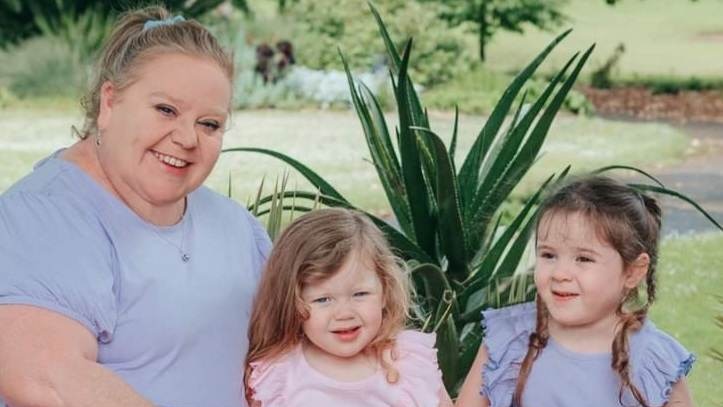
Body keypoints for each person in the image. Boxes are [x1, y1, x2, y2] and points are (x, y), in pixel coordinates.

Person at [0, 6, 270, 407]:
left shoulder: (236, 226)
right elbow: (49, 379)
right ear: (109, 103)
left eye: (209, 124)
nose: (187, 138)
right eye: (166, 110)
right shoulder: (41, 218)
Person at [455, 175, 695, 407]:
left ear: (632, 272)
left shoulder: (653, 359)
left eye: (583, 259)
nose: (560, 273)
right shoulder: (507, 338)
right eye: (548, 255)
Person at [245, 208, 453, 406]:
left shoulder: (408, 361)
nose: (344, 314)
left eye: (360, 294)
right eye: (323, 300)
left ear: (385, 292)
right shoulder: (279, 375)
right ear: (292, 302)